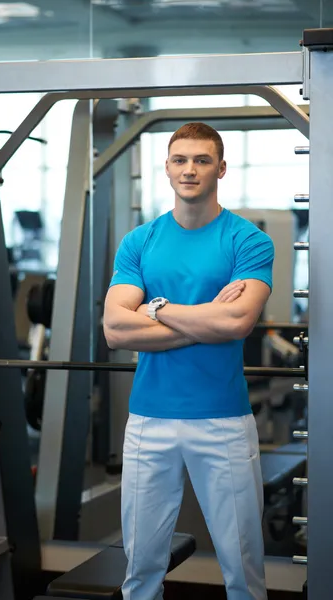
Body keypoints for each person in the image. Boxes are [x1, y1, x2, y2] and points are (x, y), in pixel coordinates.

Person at [103, 122, 274, 600]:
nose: (190, 169)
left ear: (221, 167)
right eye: (180, 160)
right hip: (148, 420)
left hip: (222, 420)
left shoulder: (248, 241)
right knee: (140, 569)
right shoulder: (140, 241)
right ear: (167, 168)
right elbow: (115, 329)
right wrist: (206, 323)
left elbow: (237, 322)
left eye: (201, 160)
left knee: (243, 568)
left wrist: (155, 308)